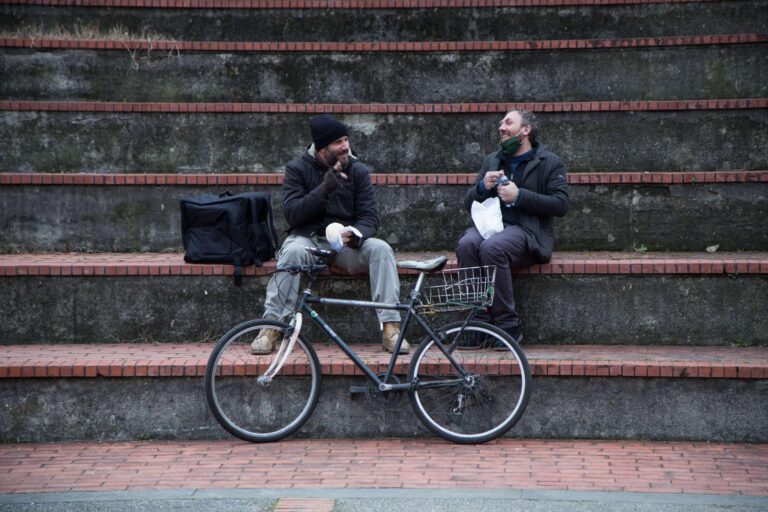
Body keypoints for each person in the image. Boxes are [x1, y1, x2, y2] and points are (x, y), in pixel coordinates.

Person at [251, 114, 408, 355]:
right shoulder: (298, 169)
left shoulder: (358, 171)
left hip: (346, 246)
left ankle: (391, 326)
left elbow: (369, 216)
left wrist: (356, 234)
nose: (346, 146)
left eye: (346, 139)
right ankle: (271, 326)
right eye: (338, 142)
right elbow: (292, 215)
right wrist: (324, 189)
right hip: (309, 240)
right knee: (291, 251)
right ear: (323, 148)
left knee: (381, 249)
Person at [456, 110, 569, 346]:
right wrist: (481, 187)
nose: (501, 127)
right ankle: (478, 321)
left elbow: (560, 204)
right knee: (467, 243)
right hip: (492, 226)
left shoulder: (549, 162)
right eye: (501, 123)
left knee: (492, 248)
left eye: (508, 122)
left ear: (525, 130)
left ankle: (508, 325)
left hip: (528, 232)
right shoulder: (492, 160)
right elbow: (468, 203)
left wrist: (519, 196)